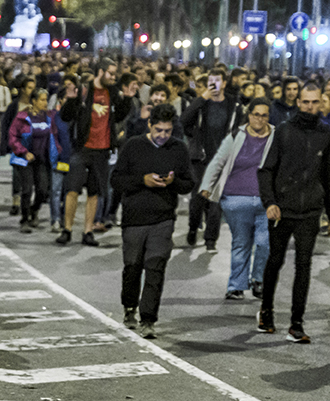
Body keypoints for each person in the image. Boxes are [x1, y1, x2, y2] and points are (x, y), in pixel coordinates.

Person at [256, 83, 330, 341]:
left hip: (310, 211)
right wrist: (270, 202)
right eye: (306, 102)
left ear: (321, 103)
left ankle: (296, 323)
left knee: (304, 266)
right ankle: (266, 310)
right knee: (275, 261)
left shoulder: (326, 134)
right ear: (298, 102)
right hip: (281, 209)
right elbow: (266, 169)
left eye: (315, 102)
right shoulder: (283, 131)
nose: (310, 107)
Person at [110, 103, 194, 339]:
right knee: (133, 267)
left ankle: (148, 319)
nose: (163, 136)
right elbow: (116, 180)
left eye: (167, 131)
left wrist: (173, 182)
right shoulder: (133, 145)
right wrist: (142, 180)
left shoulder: (178, 149)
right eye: (159, 130)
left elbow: (188, 183)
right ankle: (129, 307)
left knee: (155, 267)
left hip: (163, 218)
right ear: (150, 125)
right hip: (134, 219)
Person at [200, 97, 274, 300]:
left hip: (266, 200)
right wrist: (207, 185)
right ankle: (236, 285)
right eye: (255, 114)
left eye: (264, 115)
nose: (259, 119)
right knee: (241, 242)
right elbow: (218, 161)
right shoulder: (236, 136)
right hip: (235, 198)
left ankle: (258, 278)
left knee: (264, 243)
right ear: (249, 115)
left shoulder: (276, 137)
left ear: (269, 117)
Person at [57, 58, 131, 246]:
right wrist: (72, 99)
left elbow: (119, 116)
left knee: (94, 192)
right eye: (111, 73)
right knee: (72, 190)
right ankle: (67, 229)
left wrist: (128, 98)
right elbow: (66, 116)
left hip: (102, 149)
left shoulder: (112, 92)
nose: (114, 77)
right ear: (101, 72)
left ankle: (87, 231)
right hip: (82, 148)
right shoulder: (84, 90)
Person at [181, 68, 240, 252]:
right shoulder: (201, 103)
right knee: (198, 199)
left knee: (216, 201)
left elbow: (238, 129)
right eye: (211, 81)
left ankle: (210, 239)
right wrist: (202, 99)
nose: (214, 84)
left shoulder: (233, 104)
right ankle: (193, 227)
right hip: (200, 158)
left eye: (218, 80)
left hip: (221, 158)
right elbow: (183, 121)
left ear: (224, 82)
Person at [8, 89, 58, 232]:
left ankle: (34, 210)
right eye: (41, 100)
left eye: (46, 100)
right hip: (25, 160)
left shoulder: (48, 117)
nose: (44, 103)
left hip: (41, 159)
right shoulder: (23, 117)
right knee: (27, 190)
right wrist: (23, 152)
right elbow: (13, 137)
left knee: (43, 190)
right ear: (34, 101)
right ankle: (24, 220)